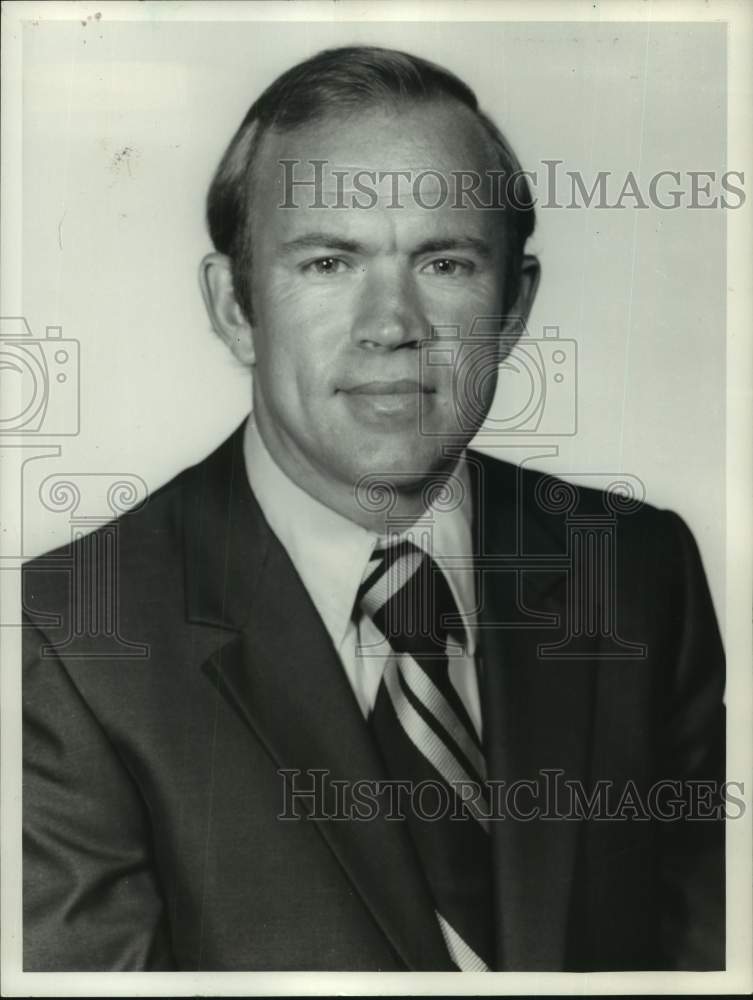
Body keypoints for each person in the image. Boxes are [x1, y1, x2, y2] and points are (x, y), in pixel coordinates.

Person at [22, 45, 725, 972]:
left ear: (513, 305)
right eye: (326, 263)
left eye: (443, 262)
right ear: (234, 306)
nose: (390, 325)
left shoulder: (637, 567)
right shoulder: (66, 636)